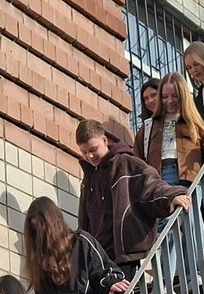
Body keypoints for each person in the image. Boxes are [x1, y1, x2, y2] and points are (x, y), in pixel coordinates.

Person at [75, 118, 192, 283]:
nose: (90, 156)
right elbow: (85, 218)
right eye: (84, 152)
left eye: (93, 149)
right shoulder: (89, 177)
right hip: (98, 258)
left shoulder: (125, 163)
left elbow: (151, 184)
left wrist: (171, 196)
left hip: (124, 253)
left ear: (105, 140)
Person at [144, 72, 204, 187]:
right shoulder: (150, 125)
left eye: (175, 96)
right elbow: (138, 157)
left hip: (189, 177)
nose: (170, 101)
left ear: (183, 95)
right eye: (165, 96)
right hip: (160, 177)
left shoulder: (193, 123)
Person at [132, 79, 161, 162]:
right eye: (146, 98)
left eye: (153, 95)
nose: (150, 101)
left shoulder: (177, 119)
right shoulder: (144, 130)